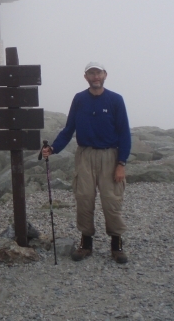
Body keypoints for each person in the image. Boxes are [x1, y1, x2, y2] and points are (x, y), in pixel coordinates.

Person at [42, 61, 131, 263]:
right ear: (86, 77)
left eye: (98, 72)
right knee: (84, 198)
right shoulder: (80, 99)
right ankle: (86, 243)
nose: (95, 77)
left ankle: (117, 244)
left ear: (105, 74)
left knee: (111, 200)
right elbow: (69, 129)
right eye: (91, 73)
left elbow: (124, 133)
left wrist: (121, 163)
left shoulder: (116, 100)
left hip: (110, 155)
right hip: (85, 155)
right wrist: (53, 148)